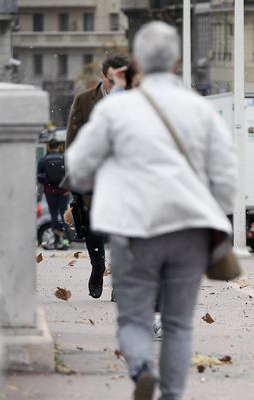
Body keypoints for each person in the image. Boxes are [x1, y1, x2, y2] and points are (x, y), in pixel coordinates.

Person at [66, 21, 237, 400]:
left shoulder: (116, 109)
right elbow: (226, 179)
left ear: (137, 62)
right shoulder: (200, 110)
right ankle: (173, 395)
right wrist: (218, 215)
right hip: (188, 228)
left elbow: (77, 167)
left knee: (132, 316)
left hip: (134, 227)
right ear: (176, 62)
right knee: (177, 323)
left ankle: (142, 365)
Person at [66, 55, 129, 299]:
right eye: (111, 80)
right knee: (93, 227)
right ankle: (98, 267)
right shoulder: (83, 101)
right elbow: (72, 140)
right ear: (102, 77)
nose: (116, 86)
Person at [37, 139, 69, 250]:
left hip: (50, 192)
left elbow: (38, 175)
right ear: (58, 147)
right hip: (63, 191)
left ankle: (56, 240)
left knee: (54, 216)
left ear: (49, 147)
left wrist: (47, 180)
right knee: (64, 216)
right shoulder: (63, 158)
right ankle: (65, 241)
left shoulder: (44, 160)